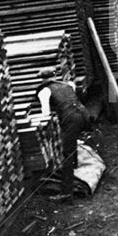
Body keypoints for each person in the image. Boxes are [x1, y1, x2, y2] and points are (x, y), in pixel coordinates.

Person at [36, 68, 92, 200]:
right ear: (54, 76)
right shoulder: (68, 85)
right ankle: (75, 165)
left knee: (67, 153)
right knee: (71, 143)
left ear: (42, 79)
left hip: (71, 119)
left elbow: (46, 114)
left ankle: (66, 192)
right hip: (84, 114)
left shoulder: (44, 91)